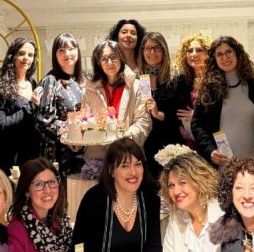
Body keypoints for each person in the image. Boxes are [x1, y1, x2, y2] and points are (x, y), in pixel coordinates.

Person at [191, 36, 254, 166]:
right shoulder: (209, 88)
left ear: (237, 53)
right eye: (219, 54)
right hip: (224, 164)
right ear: (214, 59)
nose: (225, 57)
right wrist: (210, 150)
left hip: (253, 160)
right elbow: (196, 124)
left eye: (229, 52)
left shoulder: (252, 84)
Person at [81, 40, 151, 161]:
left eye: (113, 57)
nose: (110, 62)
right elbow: (84, 121)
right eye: (104, 59)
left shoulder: (140, 85)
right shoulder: (89, 89)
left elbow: (144, 121)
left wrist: (128, 137)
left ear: (121, 58)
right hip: (97, 158)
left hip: (128, 154)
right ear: (98, 63)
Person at [138, 31, 189, 177]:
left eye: (156, 48)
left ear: (164, 50)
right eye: (148, 48)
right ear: (142, 51)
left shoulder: (177, 78)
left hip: (169, 142)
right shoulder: (137, 78)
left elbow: (180, 115)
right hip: (144, 142)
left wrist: (159, 114)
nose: (152, 52)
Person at [35, 33, 86, 177]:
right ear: (55, 55)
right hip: (59, 155)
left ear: (77, 51)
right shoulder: (51, 81)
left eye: (71, 49)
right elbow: (44, 121)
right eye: (61, 50)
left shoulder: (84, 80)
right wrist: (72, 131)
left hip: (83, 152)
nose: (67, 54)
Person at [0, 37, 41, 174]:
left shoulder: (34, 85)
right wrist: (31, 106)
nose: (26, 58)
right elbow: (1, 124)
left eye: (30, 55)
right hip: (8, 159)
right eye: (21, 53)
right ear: (13, 56)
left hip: (31, 156)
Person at [172, 32, 211, 148]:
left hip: (212, 137)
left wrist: (196, 115)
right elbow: (175, 110)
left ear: (208, 54)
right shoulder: (182, 81)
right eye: (190, 51)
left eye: (199, 50)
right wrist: (180, 127)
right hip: (190, 139)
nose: (194, 54)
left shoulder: (216, 79)